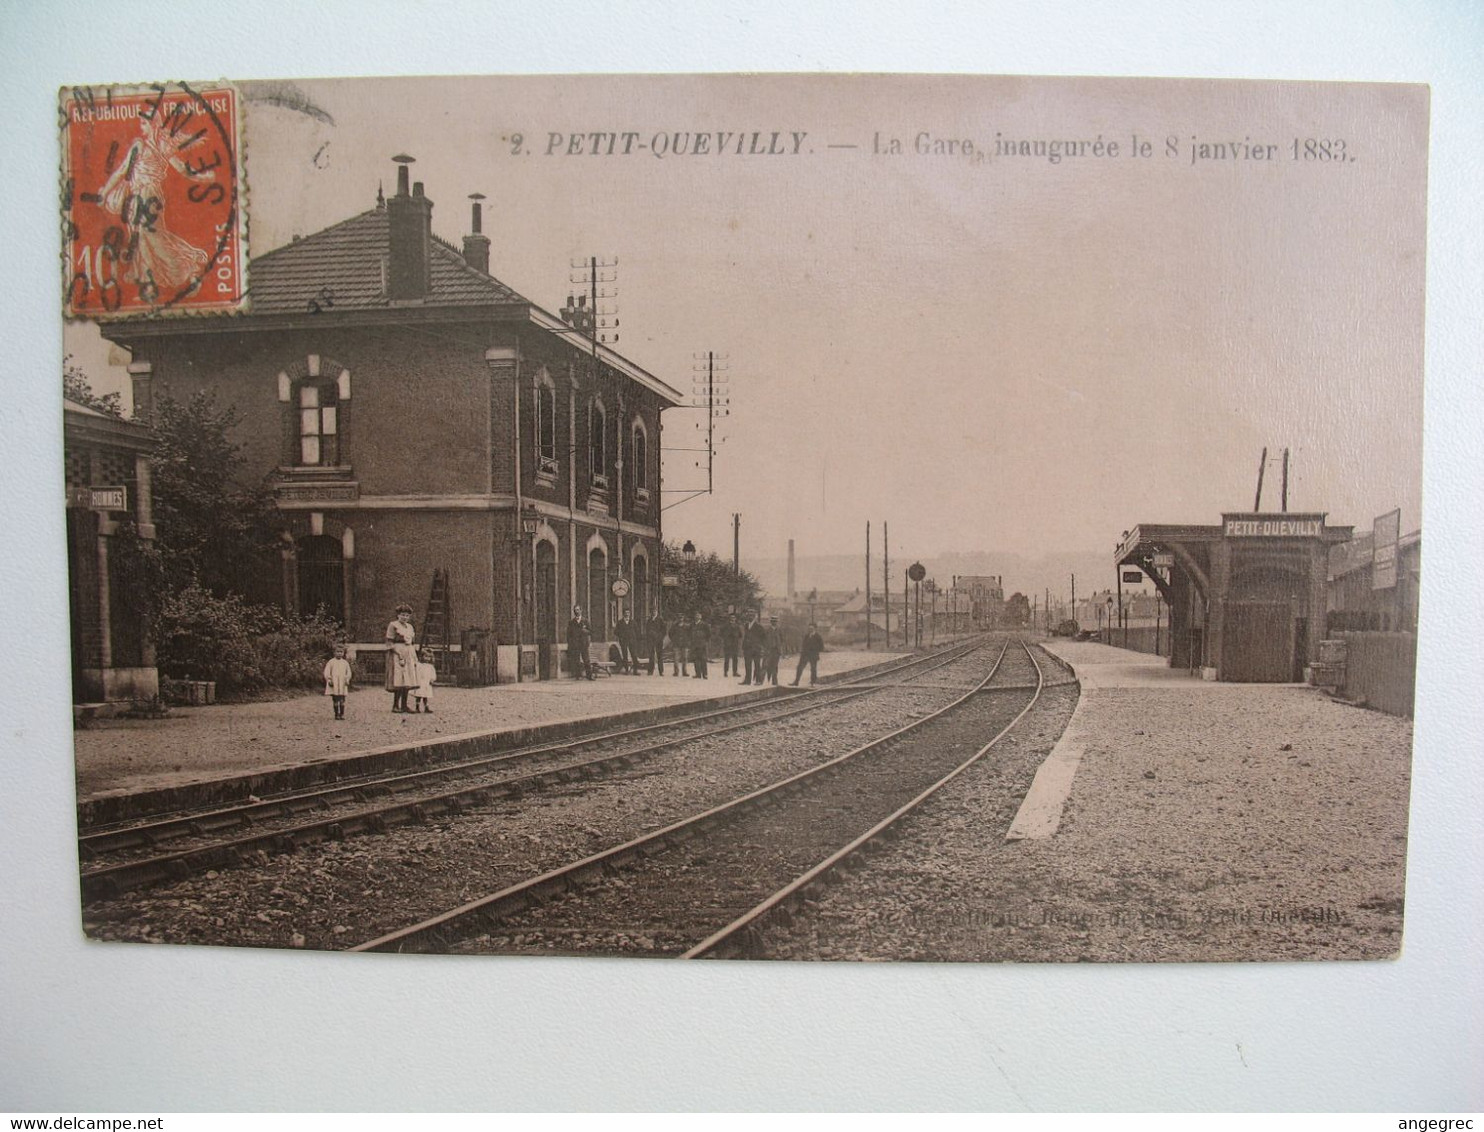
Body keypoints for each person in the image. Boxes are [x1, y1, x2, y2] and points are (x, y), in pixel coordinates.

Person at [384, 604, 418, 713]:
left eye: (407, 616)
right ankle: (395, 705)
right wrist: (398, 653)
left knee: (407, 679)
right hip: (397, 653)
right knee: (399, 679)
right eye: (403, 615)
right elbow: (389, 642)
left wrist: (413, 655)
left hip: (408, 652)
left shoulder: (410, 627)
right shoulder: (393, 625)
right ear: (398, 615)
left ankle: (404, 705)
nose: (405, 617)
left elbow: (412, 642)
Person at [323, 643, 353, 720]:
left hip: (342, 684)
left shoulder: (345, 663)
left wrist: (347, 679)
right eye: (337, 652)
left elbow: (348, 672)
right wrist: (329, 679)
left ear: (343, 653)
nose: (339, 653)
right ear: (334, 653)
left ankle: (342, 714)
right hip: (334, 683)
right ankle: (336, 714)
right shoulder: (331, 662)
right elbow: (327, 672)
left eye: (341, 652)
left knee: (342, 700)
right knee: (335, 699)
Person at [567, 605, 593, 680]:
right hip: (575, 644)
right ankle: (578, 675)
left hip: (584, 644)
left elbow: (591, 631)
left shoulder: (585, 621)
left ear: (581, 611)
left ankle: (589, 676)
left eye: (578, 610)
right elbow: (569, 634)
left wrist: (585, 631)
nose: (576, 611)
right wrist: (570, 644)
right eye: (575, 610)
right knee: (576, 660)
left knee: (586, 660)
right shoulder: (571, 622)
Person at [741, 611, 765, 685]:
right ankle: (747, 680)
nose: (750, 617)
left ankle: (758, 680)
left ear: (754, 616)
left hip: (756, 649)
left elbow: (763, 638)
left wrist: (760, 646)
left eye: (751, 616)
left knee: (757, 665)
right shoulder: (746, 625)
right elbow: (745, 636)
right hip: (747, 648)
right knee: (747, 664)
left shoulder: (759, 626)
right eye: (749, 616)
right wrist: (744, 646)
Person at [413, 648, 437, 713]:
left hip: (427, 683)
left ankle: (426, 707)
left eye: (429, 657)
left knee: (425, 696)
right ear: (422, 656)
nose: (427, 658)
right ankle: (417, 707)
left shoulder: (430, 666)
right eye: (426, 656)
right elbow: (416, 671)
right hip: (420, 682)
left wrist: (432, 679)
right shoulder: (419, 665)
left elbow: (433, 673)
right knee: (419, 695)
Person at [762, 615, 783, 685]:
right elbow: (764, 640)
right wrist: (765, 648)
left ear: (777, 622)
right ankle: (760, 680)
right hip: (768, 650)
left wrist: (779, 648)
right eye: (773, 621)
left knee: (775, 666)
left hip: (776, 651)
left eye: (775, 621)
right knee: (765, 665)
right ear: (771, 622)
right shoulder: (767, 630)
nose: (774, 622)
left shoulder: (779, 630)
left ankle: (774, 681)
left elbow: (782, 640)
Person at [646, 610, 669, 676]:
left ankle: (661, 671)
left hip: (658, 640)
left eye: (655, 611)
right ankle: (650, 671)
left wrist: (660, 637)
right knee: (651, 655)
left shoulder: (660, 620)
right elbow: (647, 630)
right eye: (652, 611)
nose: (654, 613)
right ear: (651, 612)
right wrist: (649, 637)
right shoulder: (649, 620)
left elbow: (664, 630)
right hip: (651, 640)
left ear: (657, 612)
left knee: (659, 655)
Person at [690, 614, 711, 678]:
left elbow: (708, 633)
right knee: (696, 659)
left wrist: (704, 641)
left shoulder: (704, 625)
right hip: (694, 644)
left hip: (702, 644)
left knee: (703, 659)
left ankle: (704, 674)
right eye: (696, 616)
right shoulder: (692, 625)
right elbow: (689, 633)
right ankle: (698, 674)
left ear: (700, 617)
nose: (697, 617)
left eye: (698, 616)